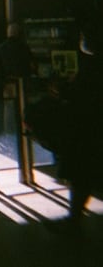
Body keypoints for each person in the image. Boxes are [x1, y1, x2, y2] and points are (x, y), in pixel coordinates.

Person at [48, 18, 103, 232]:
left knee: (81, 174)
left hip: (88, 130)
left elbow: (81, 95)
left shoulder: (90, 68)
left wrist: (62, 90)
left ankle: (74, 219)